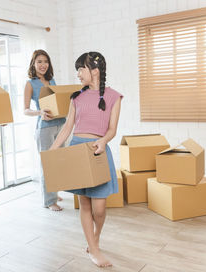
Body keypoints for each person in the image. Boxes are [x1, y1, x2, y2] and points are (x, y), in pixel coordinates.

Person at [49, 52, 122, 267]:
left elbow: (112, 129)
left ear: (95, 70)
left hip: (98, 150)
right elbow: (67, 128)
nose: (78, 74)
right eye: (78, 70)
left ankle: (95, 237)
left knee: (100, 208)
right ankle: (94, 249)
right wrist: (53, 149)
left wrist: (104, 141)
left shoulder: (114, 97)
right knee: (85, 204)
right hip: (77, 151)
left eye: (81, 69)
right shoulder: (76, 97)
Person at [24, 49, 64, 211]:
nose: (43, 65)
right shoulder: (30, 84)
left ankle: (53, 192)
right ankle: (49, 201)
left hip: (61, 125)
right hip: (45, 128)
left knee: (58, 162)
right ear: (33, 64)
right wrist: (39, 112)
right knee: (47, 163)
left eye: (45, 61)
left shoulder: (52, 80)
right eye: (39, 61)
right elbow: (25, 110)